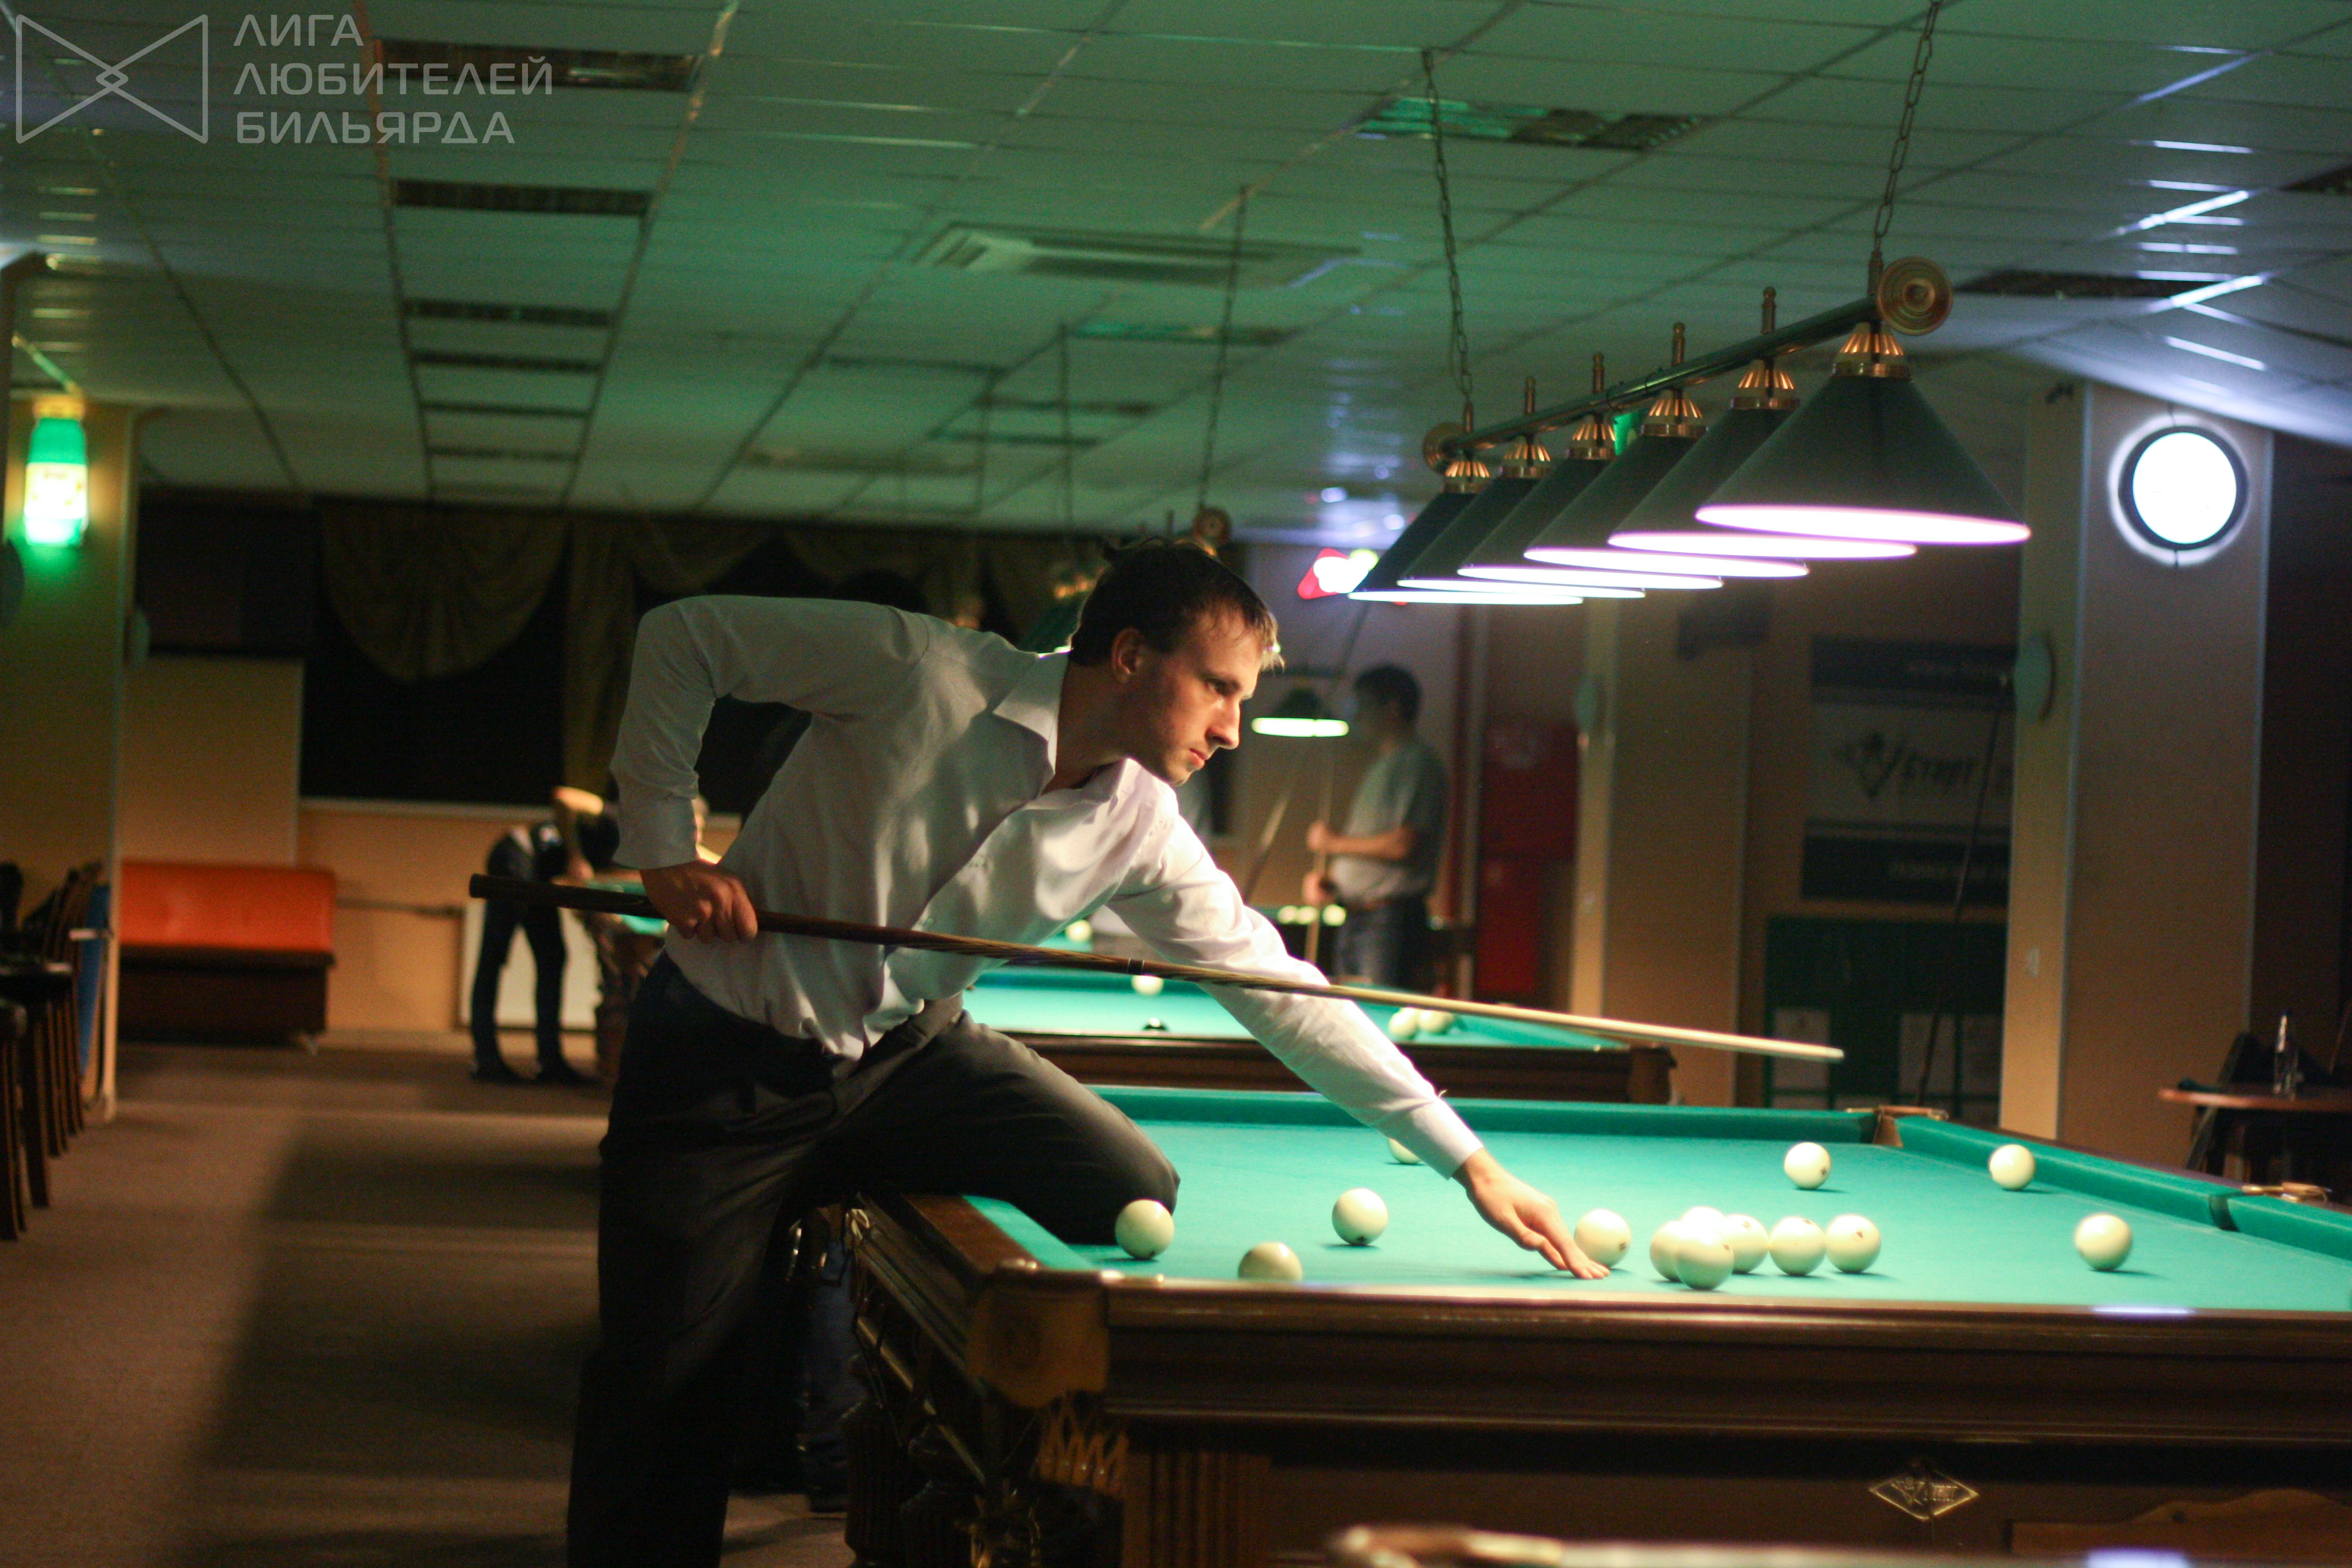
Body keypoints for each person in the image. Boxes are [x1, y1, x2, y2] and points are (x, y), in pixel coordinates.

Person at [572, 542, 1603, 1568]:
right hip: (725, 1058)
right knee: (665, 1390)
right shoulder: (919, 672)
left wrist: (1468, 1160)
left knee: (1129, 1185)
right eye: (1218, 689)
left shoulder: (1142, 827)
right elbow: (685, 635)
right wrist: (662, 850)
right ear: (1129, 656)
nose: (1231, 729)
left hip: (904, 1058)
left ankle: (996, 1434)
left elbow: (1277, 988)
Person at [1303, 665, 1449, 989]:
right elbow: (1370, 848)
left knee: (1378, 1013)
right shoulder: (1382, 767)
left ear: (1392, 709)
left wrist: (1332, 843)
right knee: (1355, 1011)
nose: (1356, 715)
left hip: (1388, 923)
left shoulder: (1418, 764)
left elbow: (1403, 845)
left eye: (1362, 705)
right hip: (1359, 917)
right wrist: (1332, 882)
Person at [468, 791, 620, 1085]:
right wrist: (576, 856)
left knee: (553, 958)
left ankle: (550, 1062)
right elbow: (563, 798)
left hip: (538, 873)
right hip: (517, 855)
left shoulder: (647, 845)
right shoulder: (616, 816)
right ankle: (486, 1059)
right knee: (494, 957)